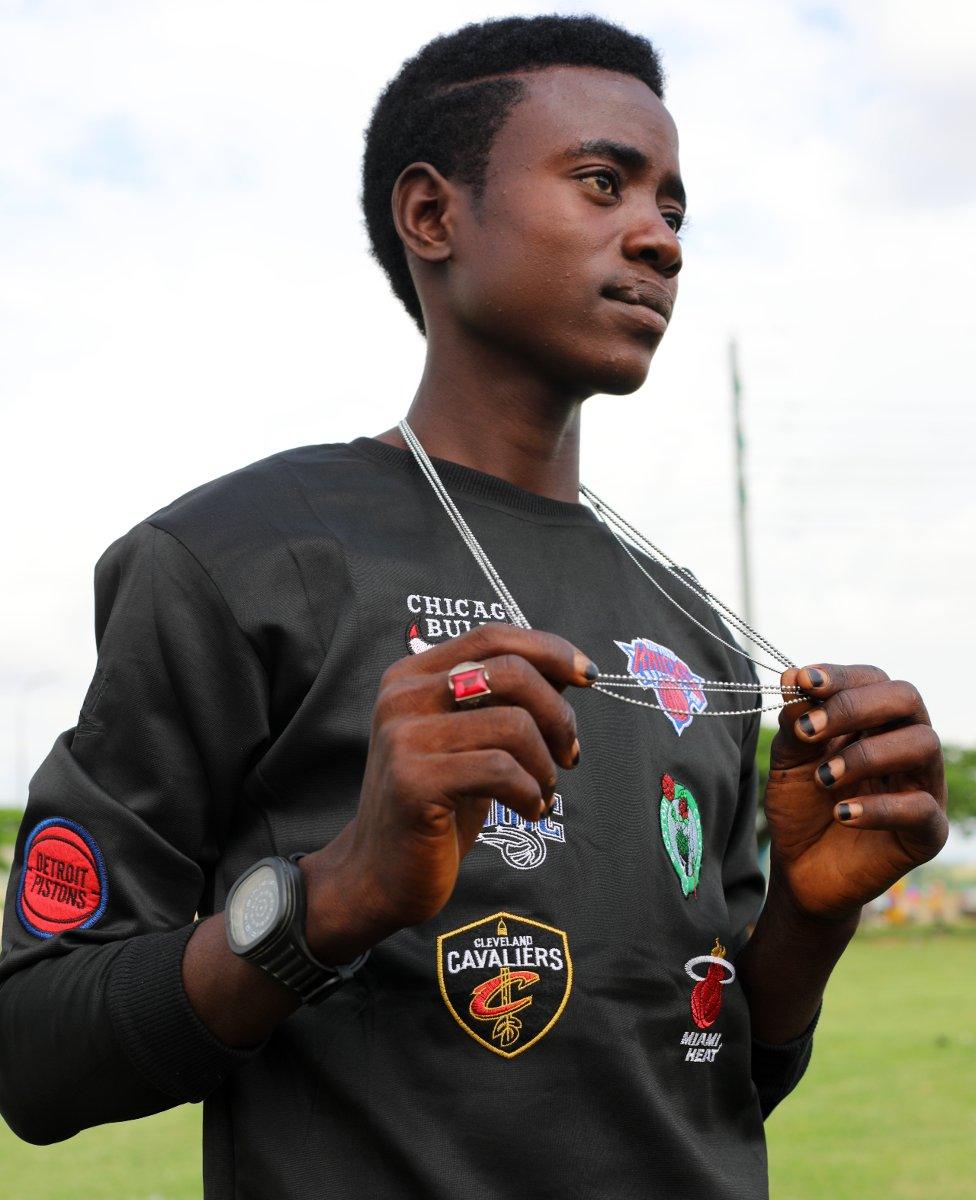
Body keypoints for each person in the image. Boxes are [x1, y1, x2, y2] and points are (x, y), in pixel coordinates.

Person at [0, 14, 948, 1199]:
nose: (660, 242)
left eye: (673, 208)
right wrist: (334, 897)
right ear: (432, 216)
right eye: (604, 182)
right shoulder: (236, 562)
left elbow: (706, 1073)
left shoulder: (691, 632)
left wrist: (810, 921)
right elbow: (34, 1051)